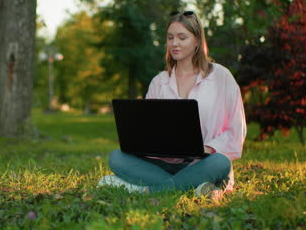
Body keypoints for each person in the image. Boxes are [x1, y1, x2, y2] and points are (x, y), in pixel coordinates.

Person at [98, 11, 247, 199]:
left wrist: (207, 148)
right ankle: (193, 185)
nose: (174, 43)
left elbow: (236, 131)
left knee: (220, 163)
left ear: (197, 41)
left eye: (182, 37)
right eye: (170, 38)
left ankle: (151, 191)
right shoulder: (158, 82)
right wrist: (145, 143)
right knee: (117, 158)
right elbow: (148, 129)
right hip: (162, 163)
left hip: (204, 162)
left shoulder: (221, 77)